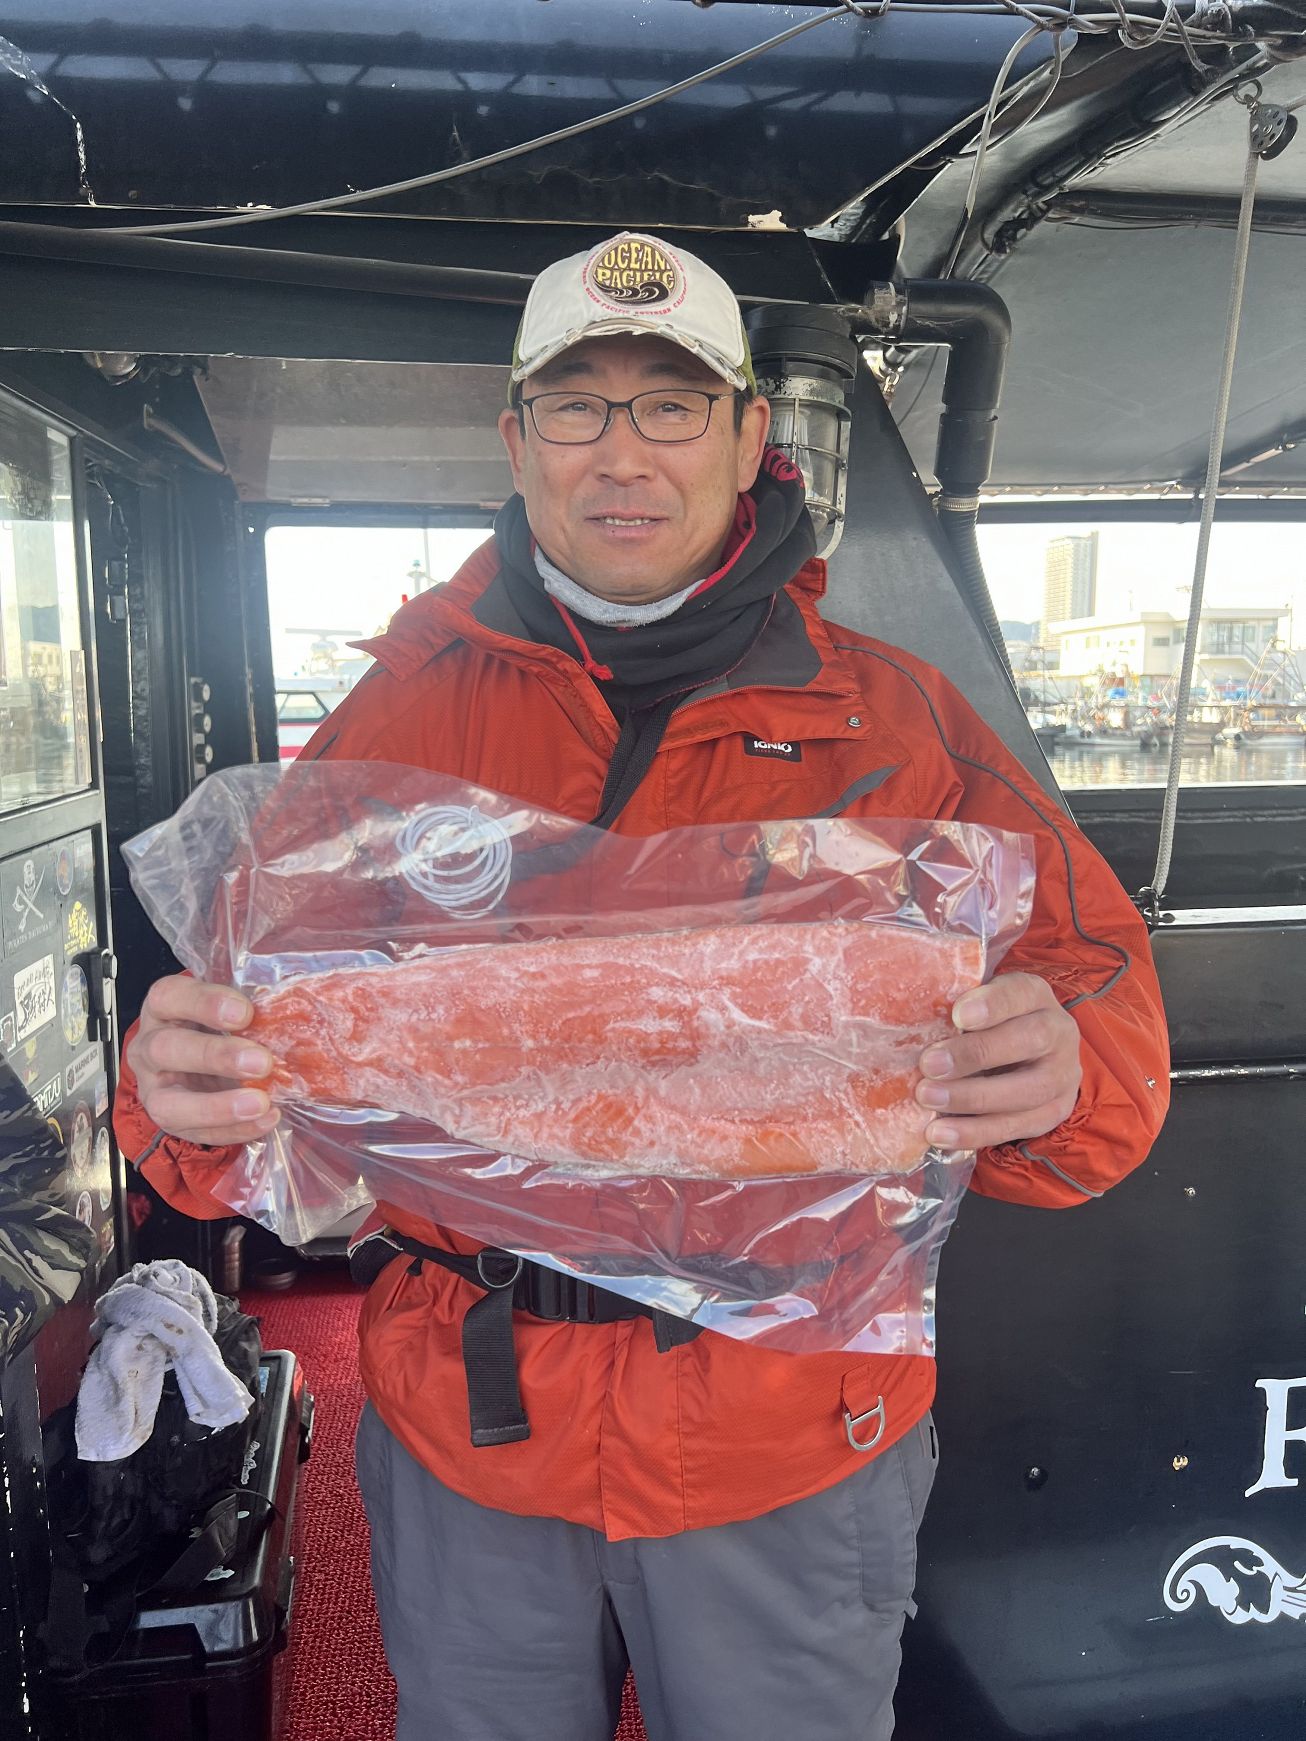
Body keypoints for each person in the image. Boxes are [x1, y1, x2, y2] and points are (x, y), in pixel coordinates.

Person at [113, 232, 1169, 1741]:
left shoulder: (902, 719)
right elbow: (235, 1083)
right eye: (578, 407)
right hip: (469, 1422)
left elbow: (1100, 1036)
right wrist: (183, 1097)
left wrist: (1061, 1066)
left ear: (748, 435)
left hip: (788, 1426)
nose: (624, 453)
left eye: (672, 406)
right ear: (517, 441)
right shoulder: (387, 716)